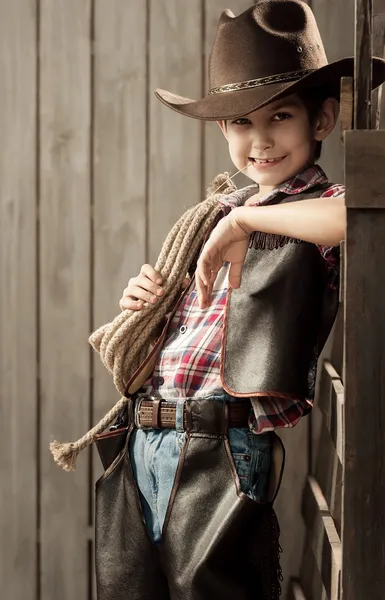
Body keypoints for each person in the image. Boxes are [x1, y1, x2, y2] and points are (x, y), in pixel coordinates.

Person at [51, 1, 385, 599]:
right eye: (239, 123)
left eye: (279, 116)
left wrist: (240, 229)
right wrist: (147, 311)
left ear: (323, 119)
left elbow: (355, 217)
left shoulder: (311, 208)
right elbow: (190, 324)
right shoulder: (213, 213)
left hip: (221, 447)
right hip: (144, 434)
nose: (259, 141)